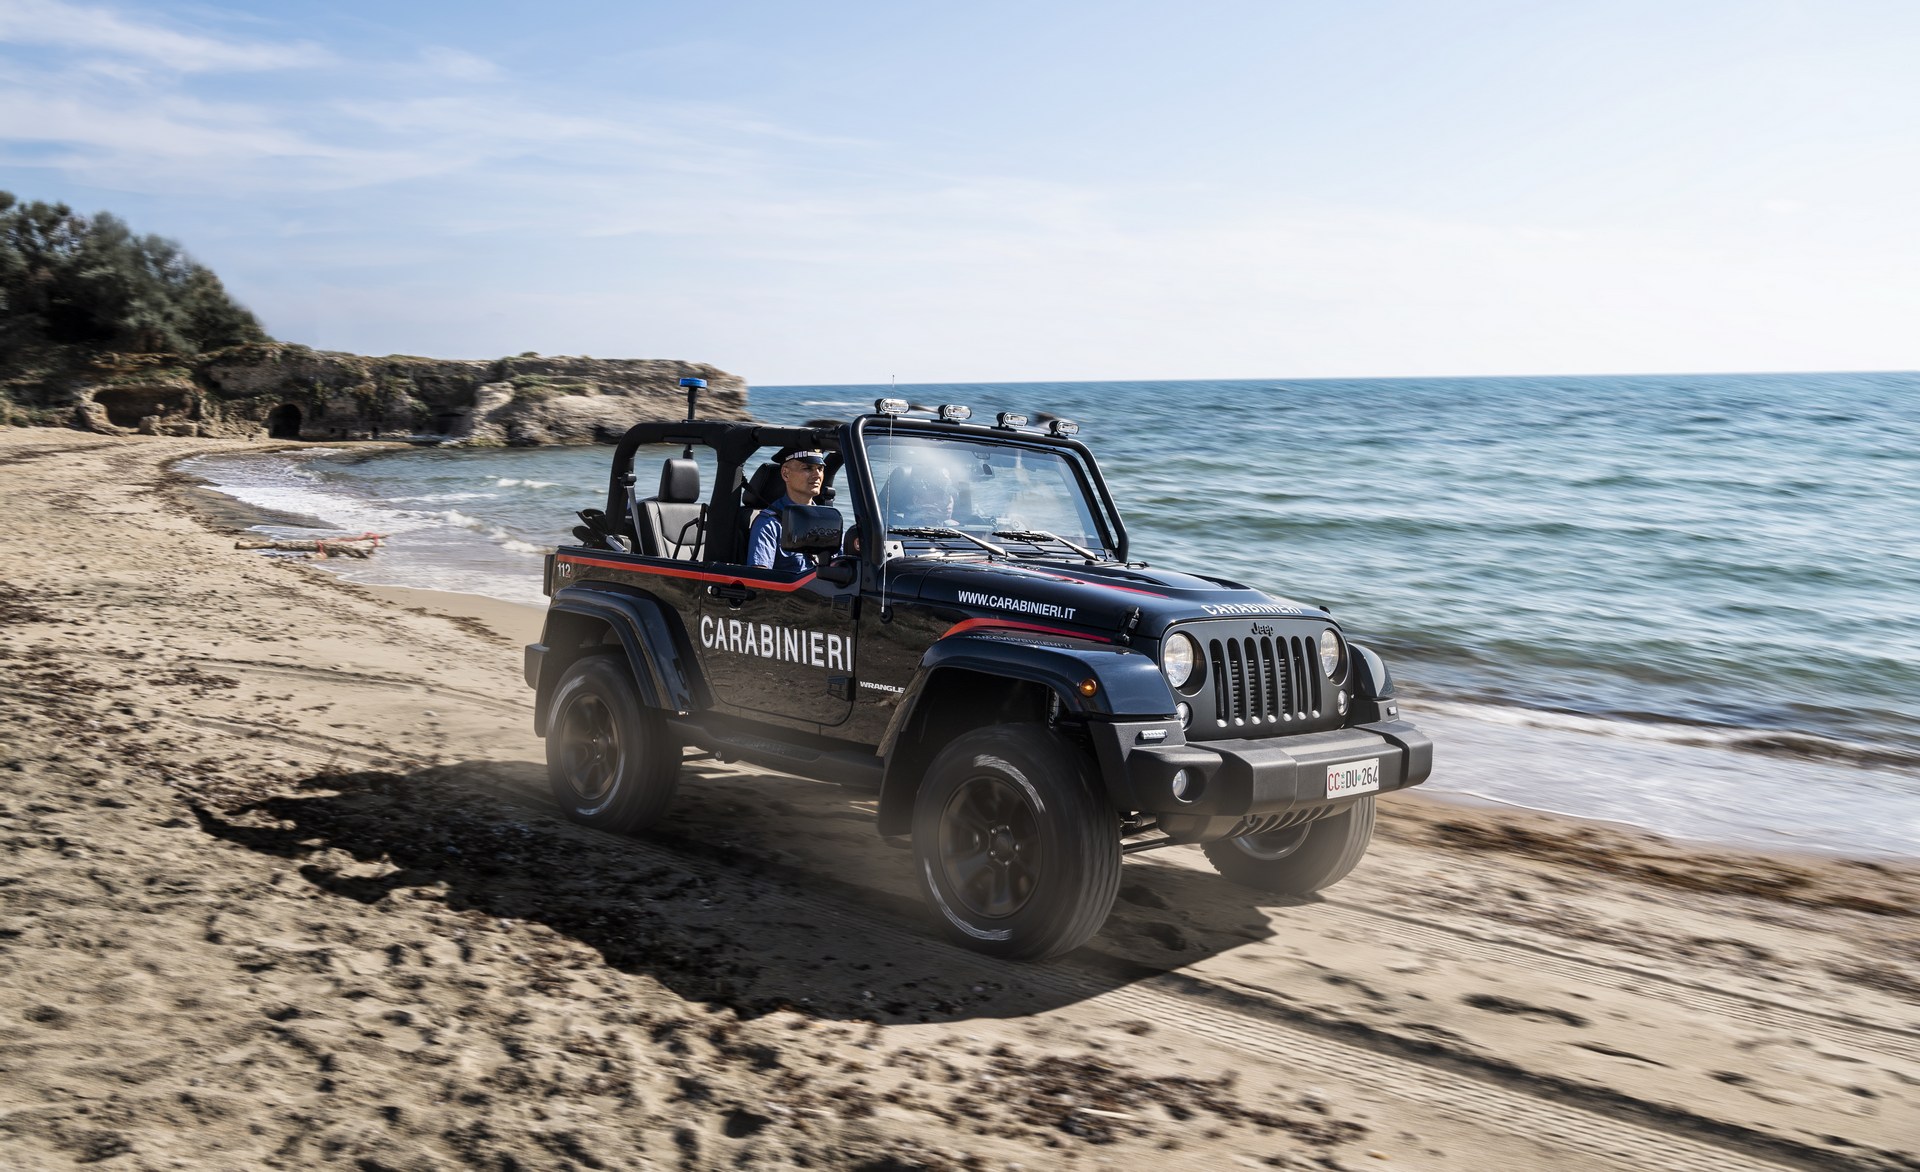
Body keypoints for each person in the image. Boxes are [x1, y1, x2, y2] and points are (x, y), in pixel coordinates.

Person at [747, 449, 826, 571]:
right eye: (808, 468)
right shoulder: (769, 524)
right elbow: (760, 579)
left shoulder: (826, 520)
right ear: (785, 474)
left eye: (820, 469)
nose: (817, 475)